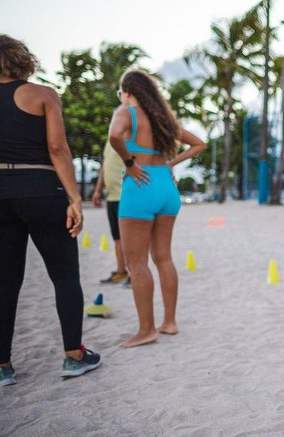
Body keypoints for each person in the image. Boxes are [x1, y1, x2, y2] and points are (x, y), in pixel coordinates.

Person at [0, 34, 101, 387]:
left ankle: (0, 367)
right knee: (64, 276)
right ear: (23, 60)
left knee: (3, 283)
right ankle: (74, 356)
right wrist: (74, 198)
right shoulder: (44, 94)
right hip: (42, 191)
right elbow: (58, 148)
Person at [108, 69, 206, 348]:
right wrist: (171, 165)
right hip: (166, 188)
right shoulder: (164, 120)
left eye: (121, 93)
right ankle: (170, 322)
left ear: (128, 91)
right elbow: (200, 144)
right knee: (163, 257)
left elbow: (115, 135)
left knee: (136, 263)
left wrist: (128, 162)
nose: (121, 98)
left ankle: (146, 330)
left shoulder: (127, 112)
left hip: (140, 186)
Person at [92, 140, 128, 284]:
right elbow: (105, 167)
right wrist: (98, 190)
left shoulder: (127, 138)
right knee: (117, 237)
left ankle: (134, 274)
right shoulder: (109, 141)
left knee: (129, 238)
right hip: (112, 197)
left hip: (125, 196)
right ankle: (121, 271)